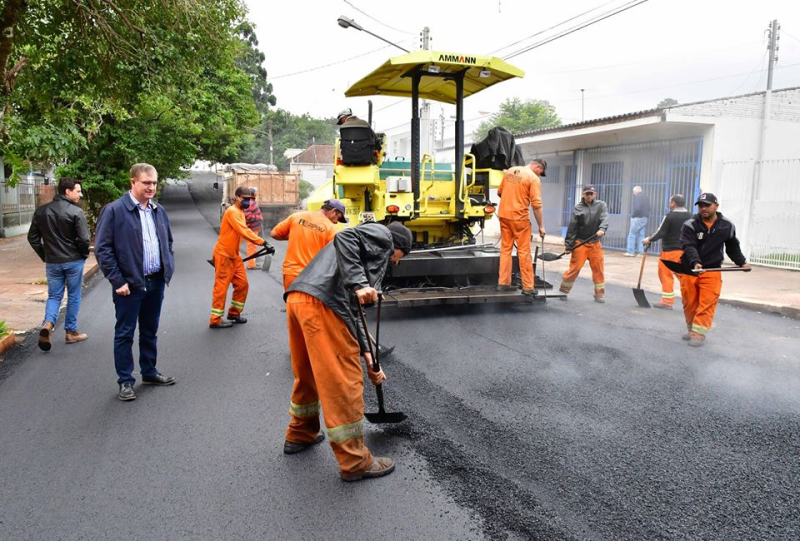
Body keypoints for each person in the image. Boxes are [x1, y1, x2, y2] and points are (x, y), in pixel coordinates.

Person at [282, 221, 413, 482]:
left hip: (300, 300)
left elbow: (355, 314)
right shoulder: (383, 235)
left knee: (307, 375)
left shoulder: (358, 258)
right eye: (401, 256)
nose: (396, 262)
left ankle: (300, 434)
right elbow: (346, 236)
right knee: (343, 384)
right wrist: (360, 283)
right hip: (324, 307)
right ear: (398, 245)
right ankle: (355, 462)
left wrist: (370, 358)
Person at [95, 164, 176, 401]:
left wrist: (167, 266)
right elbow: (103, 249)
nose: (151, 187)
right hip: (128, 286)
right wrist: (117, 281)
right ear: (133, 182)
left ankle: (149, 372)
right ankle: (125, 381)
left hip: (155, 281)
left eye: (154, 183)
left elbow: (168, 242)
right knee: (125, 333)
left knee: (150, 330)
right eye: (146, 183)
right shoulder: (114, 210)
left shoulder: (158, 210)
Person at [27, 177, 91, 351]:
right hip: (73, 261)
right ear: (68, 191)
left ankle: (48, 323)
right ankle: (71, 332)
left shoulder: (41, 211)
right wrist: (83, 254)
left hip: (52, 262)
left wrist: (45, 255)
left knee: (54, 296)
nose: (80, 194)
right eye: (78, 191)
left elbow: (32, 238)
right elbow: (84, 239)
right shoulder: (76, 212)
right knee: (74, 295)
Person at [679, 193, 750, 347]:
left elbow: (732, 246)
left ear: (716, 206)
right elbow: (689, 246)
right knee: (689, 302)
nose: (703, 208)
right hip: (690, 269)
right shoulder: (690, 224)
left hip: (712, 270)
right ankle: (692, 329)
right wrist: (695, 262)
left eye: (707, 205)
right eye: (701, 205)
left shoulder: (726, 225)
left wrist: (742, 262)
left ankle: (698, 334)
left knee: (708, 302)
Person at [209, 186, 269, 328]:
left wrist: (262, 242)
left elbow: (246, 229)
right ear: (237, 198)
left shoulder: (241, 211)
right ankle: (215, 319)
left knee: (242, 285)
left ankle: (234, 313)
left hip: (234, 255)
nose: (248, 201)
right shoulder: (232, 212)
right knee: (221, 288)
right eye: (245, 199)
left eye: (250, 199)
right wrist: (262, 242)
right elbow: (243, 230)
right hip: (224, 255)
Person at [496, 160, 546, 295]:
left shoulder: (510, 171)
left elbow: (500, 192)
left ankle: (503, 283)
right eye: (541, 172)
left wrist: (512, 198)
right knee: (524, 252)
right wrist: (541, 226)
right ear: (538, 167)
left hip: (504, 215)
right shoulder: (533, 178)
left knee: (505, 249)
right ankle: (528, 287)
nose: (540, 175)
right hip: (519, 218)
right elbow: (536, 205)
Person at [270, 199, 344, 290]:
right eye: (338, 218)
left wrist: (294, 235)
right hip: (312, 278)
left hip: (291, 273)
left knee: (291, 299)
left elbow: (274, 233)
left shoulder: (297, 216)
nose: (336, 222)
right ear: (334, 211)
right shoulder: (332, 229)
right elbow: (334, 258)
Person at [559, 184, 609, 302]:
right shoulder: (578, 208)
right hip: (580, 242)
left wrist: (602, 229)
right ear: (583, 195)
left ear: (595, 194)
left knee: (598, 269)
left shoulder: (601, 205)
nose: (589, 196)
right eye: (587, 194)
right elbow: (572, 227)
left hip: (595, 243)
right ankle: (563, 290)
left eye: (591, 194)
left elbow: (605, 218)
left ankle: (599, 295)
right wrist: (568, 245)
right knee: (574, 269)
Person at [643, 194, 693, 310]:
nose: (669, 203)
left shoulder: (670, 216)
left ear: (673, 203)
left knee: (665, 274)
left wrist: (649, 239)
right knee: (684, 277)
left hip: (670, 251)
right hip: (685, 252)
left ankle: (667, 301)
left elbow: (661, 231)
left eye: (670, 202)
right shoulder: (691, 216)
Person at [242, 187, 264, 270]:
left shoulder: (251, 201)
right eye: (256, 192)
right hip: (251, 228)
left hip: (253, 227)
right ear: (253, 194)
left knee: (253, 246)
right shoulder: (250, 203)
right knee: (251, 246)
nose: (256, 193)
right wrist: (258, 217)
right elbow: (247, 215)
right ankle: (251, 265)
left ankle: (252, 263)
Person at [625, 185, 650, 256]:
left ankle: (630, 251)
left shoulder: (638, 197)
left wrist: (633, 215)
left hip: (637, 218)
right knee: (641, 235)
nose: (634, 193)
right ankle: (641, 253)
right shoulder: (646, 197)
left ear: (636, 191)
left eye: (634, 192)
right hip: (644, 218)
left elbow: (637, 208)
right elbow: (649, 208)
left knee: (632, 234)